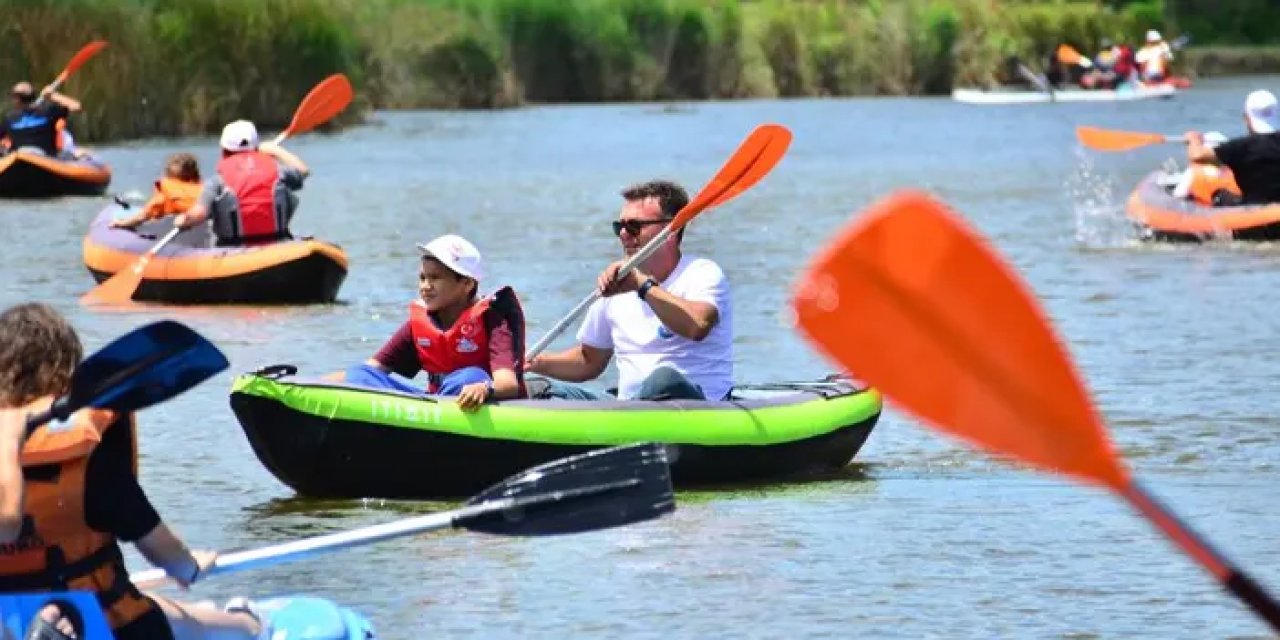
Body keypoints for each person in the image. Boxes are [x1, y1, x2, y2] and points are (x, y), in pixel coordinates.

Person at [0, 303, 265, 640]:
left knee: (159, 607)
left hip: (12, 616)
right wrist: (187, 566)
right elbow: (159, 550)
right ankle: (251, 626)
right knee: (135, 607)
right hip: (98, 624)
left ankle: (240, 622)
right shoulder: (88, 463)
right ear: (67, 376)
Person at [527, 179, 733, 402]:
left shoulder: (702, 273)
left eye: (634, 227)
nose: (624, 235)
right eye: (620, 227)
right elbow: (589, 361)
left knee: (663, 378)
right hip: (629, 407)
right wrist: (534, 363)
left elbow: (697, 326)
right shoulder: (615, 284)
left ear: (670, 230)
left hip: (697, 405)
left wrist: (642, 285)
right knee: (538, 388)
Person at [338, 234, 528, 411]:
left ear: (467, 284)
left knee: (471, 376)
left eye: (435, 278)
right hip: (435, 401)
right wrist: (313, 384)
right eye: (423, 278)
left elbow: (508, 384)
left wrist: (484, 389)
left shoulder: (493, 319)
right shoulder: (422, 322)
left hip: (479, 401)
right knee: (359, 373)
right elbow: (372, 369)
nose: (425, 287)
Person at [173, 120, 309, 247]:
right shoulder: (279, 173)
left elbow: (199, 214)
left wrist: (183, 220)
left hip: (233, 250)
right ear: (257, 148)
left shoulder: (218, 181)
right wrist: (275, 150)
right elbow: (303, 171)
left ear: (224, 150)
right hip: (278, 245)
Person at [1185, 90, 1280, 206]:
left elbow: (1197, 155)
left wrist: (1194, 139)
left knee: (1219, 195)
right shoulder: (1239, 147)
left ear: (1246, 118)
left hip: (1254, 209)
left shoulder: (1240, 147)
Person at [110, 153, 204, 230]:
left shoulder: (165, 194)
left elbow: (142, 216)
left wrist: (121, 224)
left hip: (175, 234)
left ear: (168, 173)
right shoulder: (205, 191)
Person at [0, 82, 81, 158]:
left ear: (16, 99)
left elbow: (76, 107)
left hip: (45, 159)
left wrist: (52, 95)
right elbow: (76, 106)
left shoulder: (49, 111)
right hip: (19, 159)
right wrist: (53, 96)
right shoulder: (9, 118)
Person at [1165, 132, 1242, 206]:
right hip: (1233, 212)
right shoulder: (1237, 169)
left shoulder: (1192, 172)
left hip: (1206, 212)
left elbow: (1178, 197)